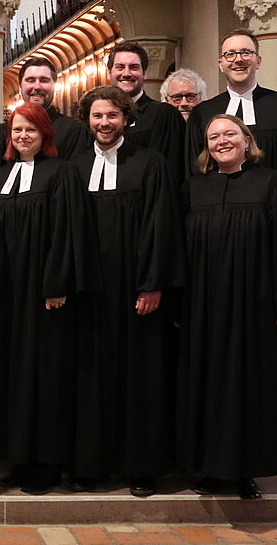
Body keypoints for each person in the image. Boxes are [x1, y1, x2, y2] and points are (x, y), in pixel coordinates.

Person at [178, 114, 277, 500]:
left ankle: (245, 472)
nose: (222, 141)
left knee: (249, 388)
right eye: (214, 137)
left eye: (229, 134)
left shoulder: (272, 183)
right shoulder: (194, 188)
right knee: (205, 386)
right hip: (203, 309)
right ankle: (206, 468)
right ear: (206, 146)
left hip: (253, 308)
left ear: (246, 139)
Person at [67, 86, 185, 497]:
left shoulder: (150, 164)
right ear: (87, 120)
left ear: (125, 119)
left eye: (112, 116)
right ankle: (90, 466)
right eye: (97, 116)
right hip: (90, 292)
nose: (104, 123)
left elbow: (161, 225)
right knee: (90, 378)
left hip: (136, 290)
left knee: (141, 377)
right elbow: (65, 231)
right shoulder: (74, 166)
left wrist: (152, 283)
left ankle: (141, 468)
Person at [0, 102, 98, 494]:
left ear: (45, 134)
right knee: (11, 378)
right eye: (16, 130)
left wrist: (56, 285)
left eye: (31, 129)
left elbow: (68, 232)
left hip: (44, 297)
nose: (23, 136)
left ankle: (47, 464)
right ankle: (18, 458)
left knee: (45, 379)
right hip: (6, 297)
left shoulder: (61, 173)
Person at [185, 29, 277, 213]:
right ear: (221, 64)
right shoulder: (203, 112)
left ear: (258, 61)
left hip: (273, 216)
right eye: (230, 54)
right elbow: (195, 169)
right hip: (217, 217)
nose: (238, 59)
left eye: (246, 52)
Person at [107, 42, 186, 186]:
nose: (126, 73)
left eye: (134, 67)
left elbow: (173, 171)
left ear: (144, 73)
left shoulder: (164, 115)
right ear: (110, 73)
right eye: (120, 67)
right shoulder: (99, 120)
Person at [18, 57, 91, 159]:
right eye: (30, 80)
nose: (37, 86)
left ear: (54, 85)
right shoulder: (6, 131)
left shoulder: (74, 130)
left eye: (44, 80)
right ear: (20, 87)